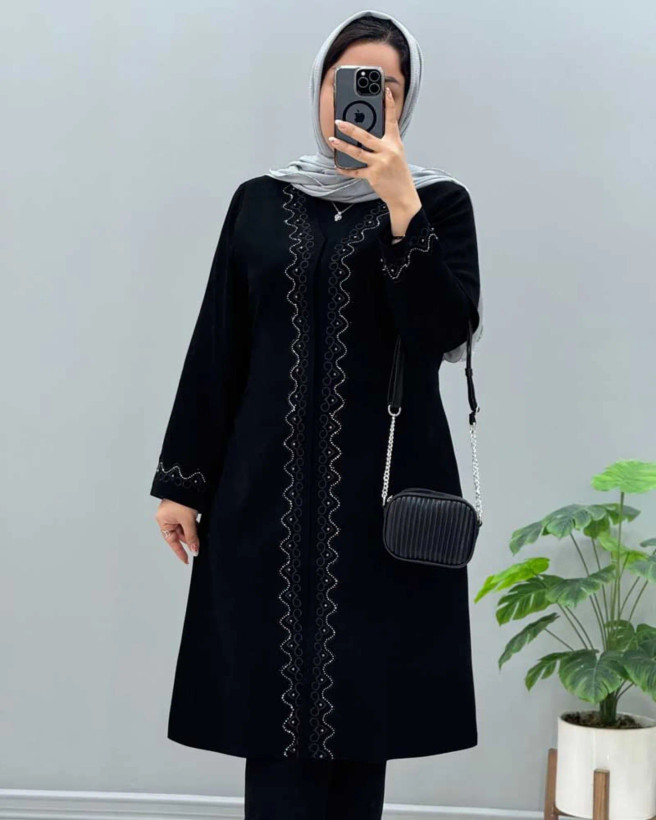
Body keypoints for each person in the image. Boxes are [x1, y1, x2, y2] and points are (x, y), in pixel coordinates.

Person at [149, 8, 483, 819]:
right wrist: (182, 482)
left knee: (363, 719)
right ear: (321, 87)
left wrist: (400, 206)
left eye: (386, 86)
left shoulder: (439, 203)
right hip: (263, 498)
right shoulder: (260, 203)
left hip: (379, 504)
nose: (366, 97)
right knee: (269, 722)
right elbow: (219, 344)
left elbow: (444, 332)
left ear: (406, 99)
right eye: (350, 80)